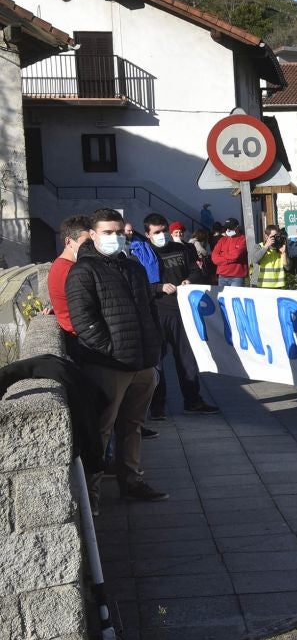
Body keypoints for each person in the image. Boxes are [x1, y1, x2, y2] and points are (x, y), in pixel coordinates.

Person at [65, 208, 168, 504]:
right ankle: (92, 495)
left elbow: (149, 309)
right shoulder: (84, 270)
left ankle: (132, 481)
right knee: (102, 429)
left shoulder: (133, 267)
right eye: (107, 232)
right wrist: (110, 350)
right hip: (109, 365)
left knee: (132, 426)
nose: (114, 238)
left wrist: (154, 345)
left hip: (143, 363)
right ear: (93, 235)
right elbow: (83, 320)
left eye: (118, 232)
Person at [144, 213, 218, 418]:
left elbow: (197, 271)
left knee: (186, 359)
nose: (162, 235)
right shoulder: (143, 254)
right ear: (148, 234)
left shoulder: (182, 249)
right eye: (157, 232)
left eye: (164, 230)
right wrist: (158, 287)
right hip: (157, 313)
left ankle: (193, 401)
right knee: (156, 362)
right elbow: (138, 285)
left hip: (182, 311)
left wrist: (189, 279)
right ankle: (157, 406)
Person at [47, 214, 93, 343]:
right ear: (68, 242)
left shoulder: (61, 265)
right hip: (83, 340)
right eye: (87, 243)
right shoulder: (70, 270)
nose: (92, 247)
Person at [211, 218, 249, 287]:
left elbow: (236, 255)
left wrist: (222, 256)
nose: (228, 230)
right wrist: (229, 257)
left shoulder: (243, 239)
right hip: (222, 276)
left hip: (237, 276)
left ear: (237, 227)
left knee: (235, 296)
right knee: (222, 298)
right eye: (226, 228)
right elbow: (214, 258)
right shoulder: (222, 240)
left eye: (230, 228)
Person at [250, 223, 288, 289]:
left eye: (277, 236)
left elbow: (287, 268)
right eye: (274, 236)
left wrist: (283, 253)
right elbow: (254, 260)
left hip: (277, 286)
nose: (276, 238)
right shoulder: (259, 246)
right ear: (266, 236)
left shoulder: (280, 248)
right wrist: (266, 246)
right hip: (260, 285)